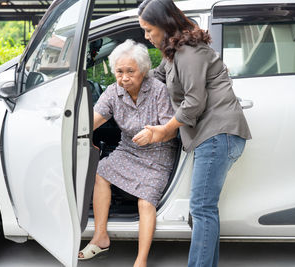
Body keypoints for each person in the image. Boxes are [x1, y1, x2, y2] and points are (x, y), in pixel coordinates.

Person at [134, 1, 252, 266]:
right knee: (204, 210)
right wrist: (131, 76)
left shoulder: (189, 53)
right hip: (211, 136)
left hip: (218, 134)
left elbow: (194, 102)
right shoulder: (173, 53)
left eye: (149, 30)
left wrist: (164, 130)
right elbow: (158, 77)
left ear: (164, 25)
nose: (146, 36)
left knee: (201, 209)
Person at [78, 39, 177, 267]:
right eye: (119, 71)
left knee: (145, 201)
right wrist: (76, 135)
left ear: (142, 70)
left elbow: (171, 132)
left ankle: (140, 261)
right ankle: (101, 237)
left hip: (158, 153)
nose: (124, 78)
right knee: (100, 171)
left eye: (130, 72)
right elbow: (93, 120)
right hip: (128, 149)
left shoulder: (158, 90)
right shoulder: (113, 92)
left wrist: (154, 135)